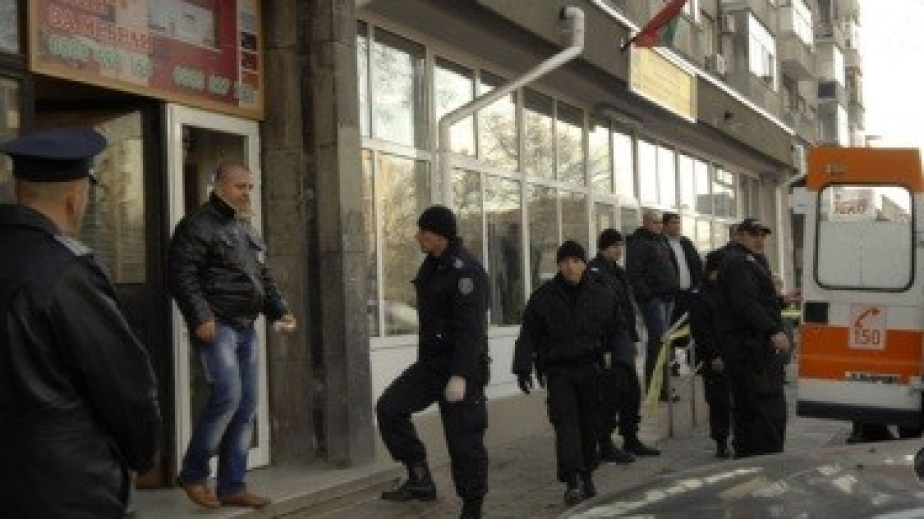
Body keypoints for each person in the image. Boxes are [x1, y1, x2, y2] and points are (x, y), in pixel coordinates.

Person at [0, 127, 161, 518]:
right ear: (76, 199)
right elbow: (125, 386)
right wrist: (143, 454)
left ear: (19, 189)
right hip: (63, 489)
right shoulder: (66, 272)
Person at [168, 162, 296, 509]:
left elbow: (261, 275)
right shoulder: (197, 225)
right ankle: (193, 474)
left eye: (250, 187)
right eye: (240, 187)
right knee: (228, 396)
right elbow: (181, 274)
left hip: (245, 326)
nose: (246, 193)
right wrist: (200, 316)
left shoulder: (243, 227)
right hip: (218, 324)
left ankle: (232, 487)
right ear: (219, 186)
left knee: (246, 405)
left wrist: (280, 310)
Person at [376, 205, 490, 519]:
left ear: (440, 235)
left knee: (464, 442)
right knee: (390, 407)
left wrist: (461, 374)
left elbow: (471, 329)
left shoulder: (465, 271)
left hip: (461, 368)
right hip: (431, 366)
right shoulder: (433, 266)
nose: (417, 237)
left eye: (423, 232)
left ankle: (472, 507)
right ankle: (419, 476)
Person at [513, 240, 622, 506]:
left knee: (589, 425)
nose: (570, 267)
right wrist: (522, 367)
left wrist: (617, 362)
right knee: (565, 423)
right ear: (559, 265)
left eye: (575, 261)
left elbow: (616, 329)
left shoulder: (602, 293)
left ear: (584, 264)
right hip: (559, 369)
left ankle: (587, 475)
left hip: (591, 368)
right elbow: (528, 334)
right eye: (564, 262)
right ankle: (572, 480)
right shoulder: (544, 297)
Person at [715, 218, 790, 458]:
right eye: (754, 234)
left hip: (752, 347)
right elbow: (745, 304)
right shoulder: (739, 263)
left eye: (763, 235)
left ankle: (751, 456)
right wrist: (773, 331)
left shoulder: (752, 260)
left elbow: (757, 299)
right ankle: (761, 459)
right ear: (740, 235)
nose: (760, 240)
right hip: (748, 349)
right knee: (763, 407)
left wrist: (782, 300)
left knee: (751, 408)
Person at [588, 229, 660, 460]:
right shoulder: (595, 272)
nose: (618, 250)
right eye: (614, 246)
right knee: (610, 393)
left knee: (630, 392)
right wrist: (605, 347)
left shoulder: (618, 272)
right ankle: (604, 443)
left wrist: (632, 337)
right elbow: (597, 312)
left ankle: (631, 438)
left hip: (623, 339)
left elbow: (626, 308)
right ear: (603, 247)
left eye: (620, 245)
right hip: (607, 343)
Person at [626, 209, 680, 401]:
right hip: (654, 300)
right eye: (655, 222)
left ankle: (663, 385)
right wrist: (647, 296)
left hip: (668, 297)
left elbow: (671, 266)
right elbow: (634, 274)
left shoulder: (661, 241)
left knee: (664, 343)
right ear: (645, 222)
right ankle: (655, 388)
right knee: (658, 342)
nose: (659, 226)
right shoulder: (639, 243)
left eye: (660, 222)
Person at [688, 249, 733, 459]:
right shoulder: (699, 293)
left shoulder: (727, 288)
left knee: (735, 398)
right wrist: (714, 355)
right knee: (719, 401)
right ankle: (721, 442)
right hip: (714, 355)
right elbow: (701, 330)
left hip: (732, 351)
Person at [662, 212, 703, 376]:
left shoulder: (686, 243)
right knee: (671, 329)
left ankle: (695, 362)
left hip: (690, 293)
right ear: (665, 225)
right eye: (673, 223)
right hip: (672, 295)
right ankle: (672, 365)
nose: (677, 226)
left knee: (693, 328)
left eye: (678, 223)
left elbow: (697, 265)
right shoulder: (662, 244)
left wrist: (698, 286)